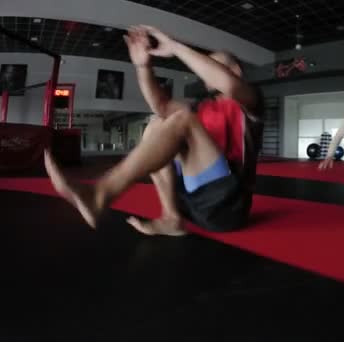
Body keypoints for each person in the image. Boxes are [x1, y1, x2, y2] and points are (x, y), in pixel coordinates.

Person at [44, 25, 263, 236]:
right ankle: (171, 217)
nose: (205, 71)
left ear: (236, 70)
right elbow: (160, 105)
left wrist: (175, 47)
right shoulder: (202, 108)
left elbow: (230, 85)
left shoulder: (251, 102)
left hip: (228, 208)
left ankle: (100, 194)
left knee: (183, 118)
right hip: (192, 204)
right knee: (159, 121)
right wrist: (143, 67)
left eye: (214, 66)